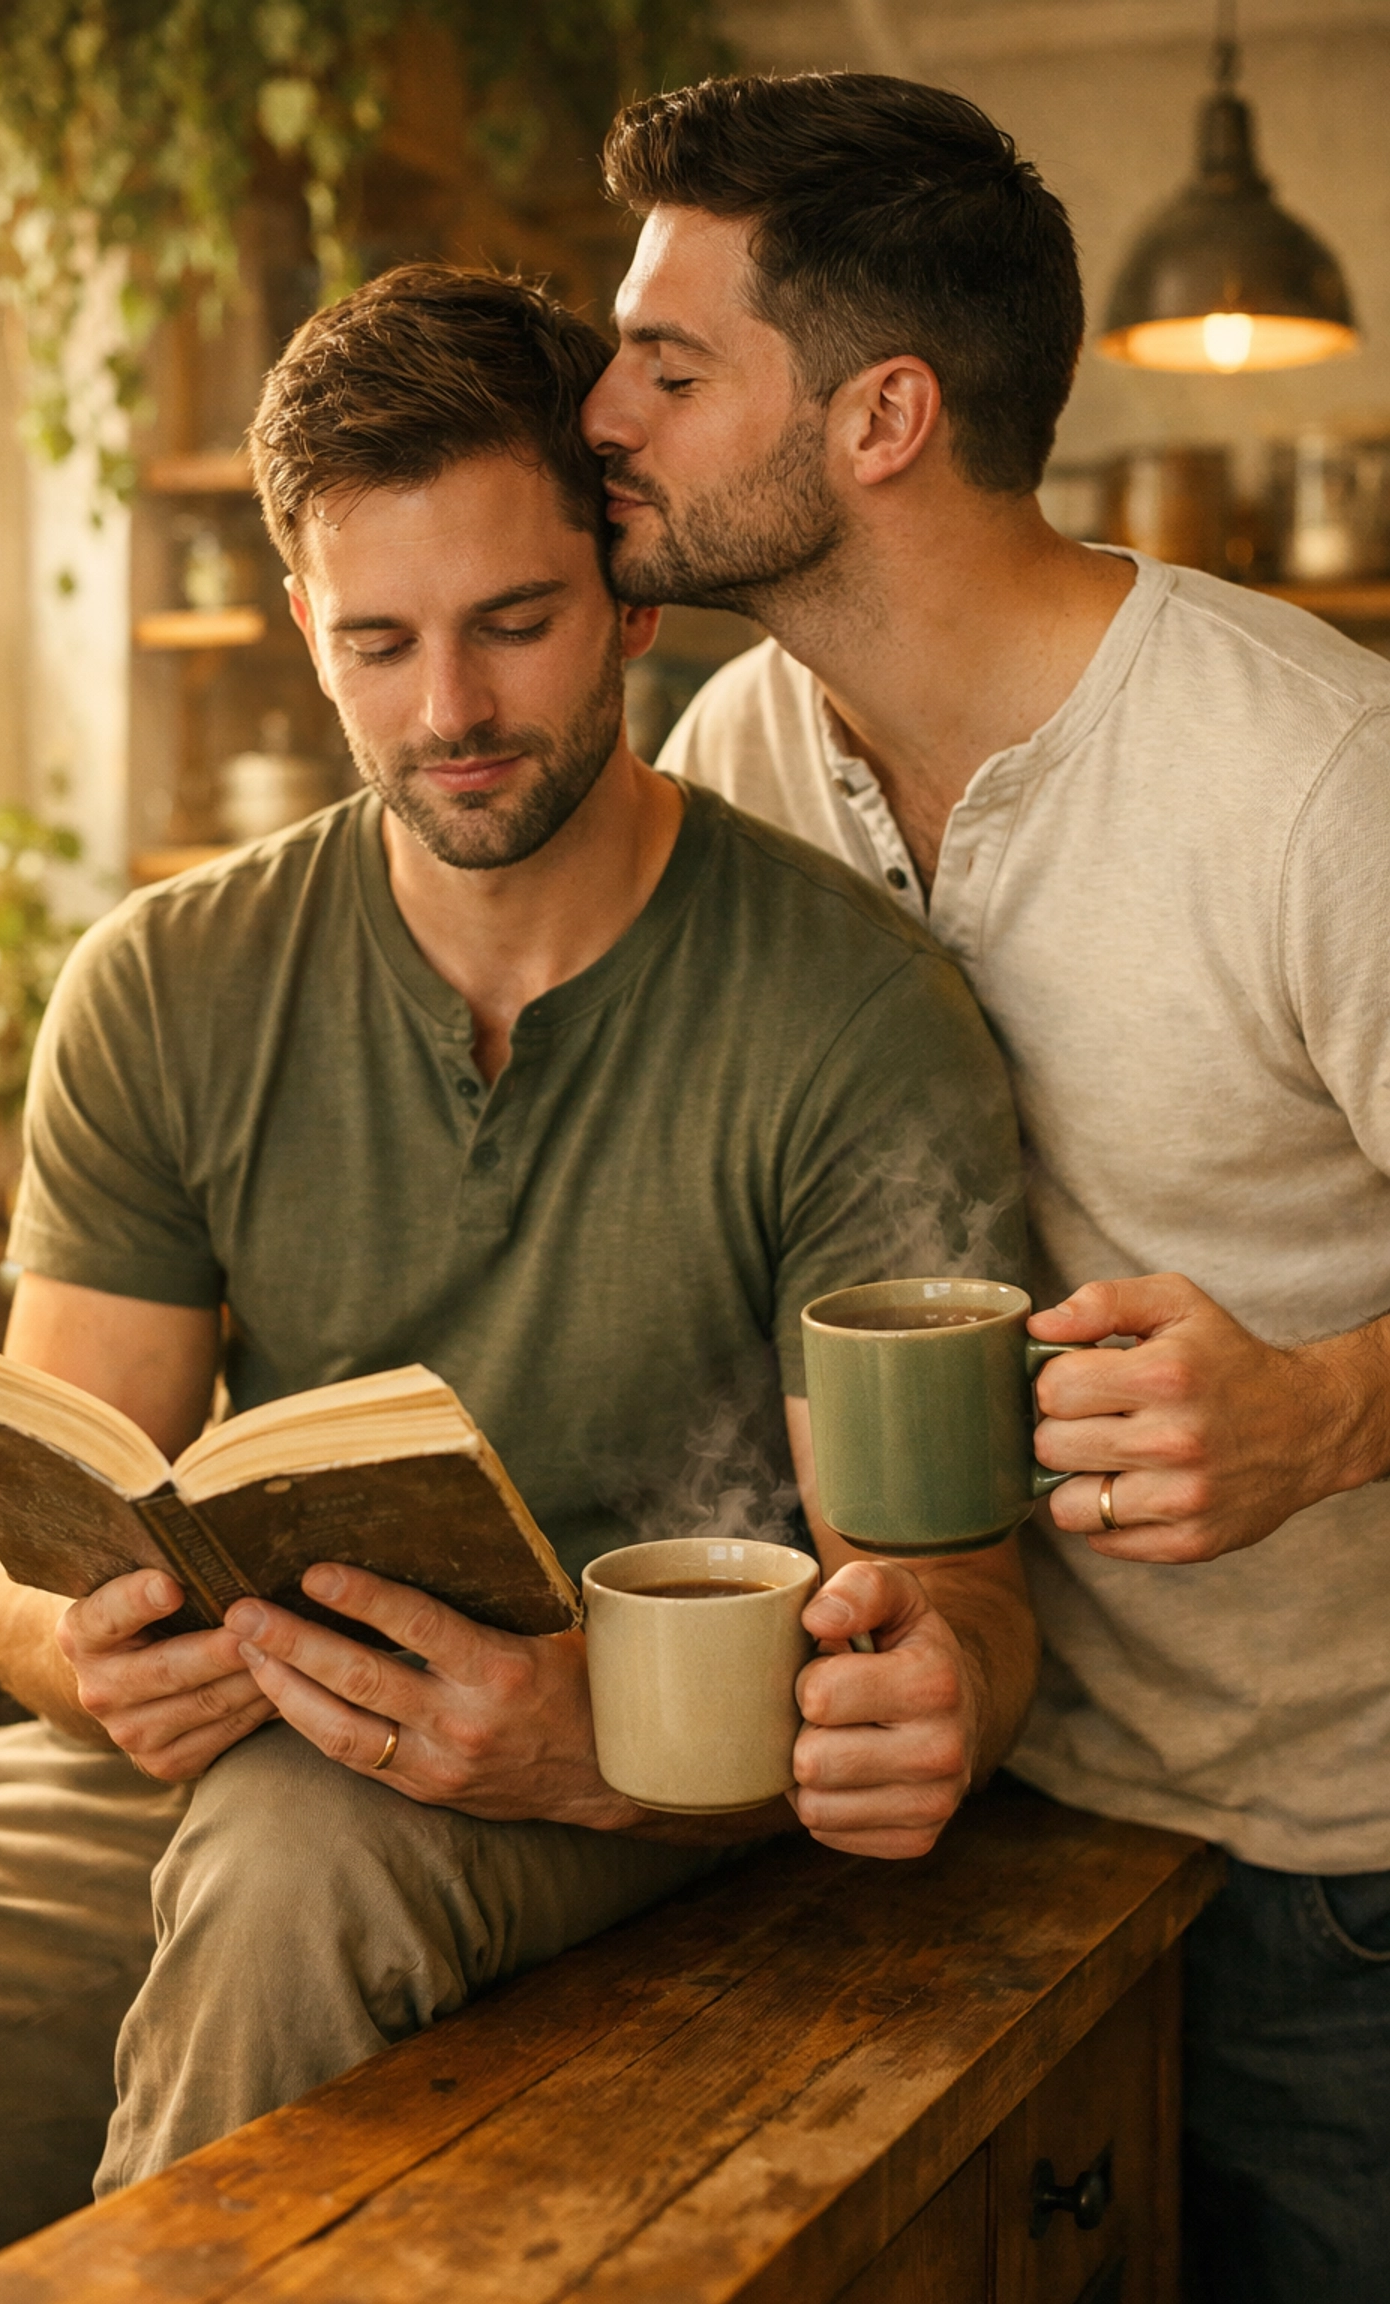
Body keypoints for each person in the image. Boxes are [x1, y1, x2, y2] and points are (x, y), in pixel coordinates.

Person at [0, 265, 1036, 2300]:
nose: (449, 715)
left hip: (604, 1794)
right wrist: (87, 1649)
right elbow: (37, 1525)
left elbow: (952, 1614)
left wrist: (621, 1738)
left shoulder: (855, 1015)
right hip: (177, 1769)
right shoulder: (168, 982)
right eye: (379, 643)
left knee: (295, 1880)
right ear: (304, 625)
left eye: (513, 621)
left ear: (630, 598)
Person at [580, 70, 1390, 2304]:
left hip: (1345, 1870)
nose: (600, 414)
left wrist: (1329, 1410)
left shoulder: (1317, 779)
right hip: (975, 1827)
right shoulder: (740, 754)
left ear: (883, 418)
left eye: (668, 368)